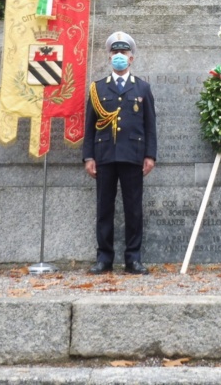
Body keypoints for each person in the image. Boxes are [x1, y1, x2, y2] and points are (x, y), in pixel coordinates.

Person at [83, 31, 157, 275]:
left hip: (133, 155)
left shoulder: (142, 88)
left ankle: (133, 259)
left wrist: (150, 155)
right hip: (104, 155)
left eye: (123, 52)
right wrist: (88, 157)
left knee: (133, 209)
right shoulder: (97, 88)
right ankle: (104, 258)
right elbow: (89, 126)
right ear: (109, 57)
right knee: (104, 209)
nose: (119, 56)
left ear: (131, 58)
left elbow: (150, 125)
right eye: (115, 52)